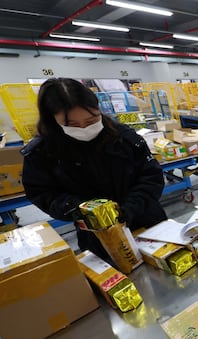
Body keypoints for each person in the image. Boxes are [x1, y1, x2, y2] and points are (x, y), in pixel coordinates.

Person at [22, 78, 167, 259]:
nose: (84, 128)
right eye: (73, 125)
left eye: (92, 120)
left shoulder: (125, 138)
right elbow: (41, 192)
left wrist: (131, 207)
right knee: (114, 273)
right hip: (97, 237)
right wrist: (81, 210)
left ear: (99, 109)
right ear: (52, 119)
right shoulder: (42, 153)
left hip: (148, 222)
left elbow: (151, 175)